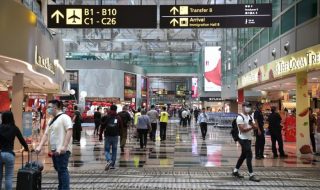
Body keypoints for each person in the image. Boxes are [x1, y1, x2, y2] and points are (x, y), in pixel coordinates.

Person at [36, 100, 73, 190]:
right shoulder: (51, 120)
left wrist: (64, 146)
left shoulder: (65, 117)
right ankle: (61, 187)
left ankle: (64, 188)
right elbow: (46, 134)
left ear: (55, 107)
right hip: (54, 150)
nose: (47, 109)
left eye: (49, 107)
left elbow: (69, 130)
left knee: (62, 170)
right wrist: (40, 146)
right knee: (59, 170)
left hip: (62, 150)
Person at [0, 111, 29, 190]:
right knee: (8, 177)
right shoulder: (14, 128)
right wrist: (26, 148)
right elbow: (22, 140)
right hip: (9, 154)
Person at [232, 102, 260, 182]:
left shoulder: (250, 116)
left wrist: (252, 125)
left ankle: (235, 171)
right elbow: (243, 130)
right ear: (243, 107)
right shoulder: (240, 117)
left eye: (249, 107)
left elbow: (255, 127)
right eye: (247, 106)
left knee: (243, 155)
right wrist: (252, 127)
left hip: (249, 138)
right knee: (249, 155)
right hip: (242, 139)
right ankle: (251, 175)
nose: (248, 108)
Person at [99, 105, 122, 170]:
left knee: (106, 150)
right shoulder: (118, 117)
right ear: (116, 110)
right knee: (114, 150)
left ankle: (109, 160)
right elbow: (121, 127)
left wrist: (100, 135)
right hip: (115, 136)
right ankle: (112, 165)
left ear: (110, 109)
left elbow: (102, 126)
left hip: (108, 136)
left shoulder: (106, 117)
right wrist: (120, 134)